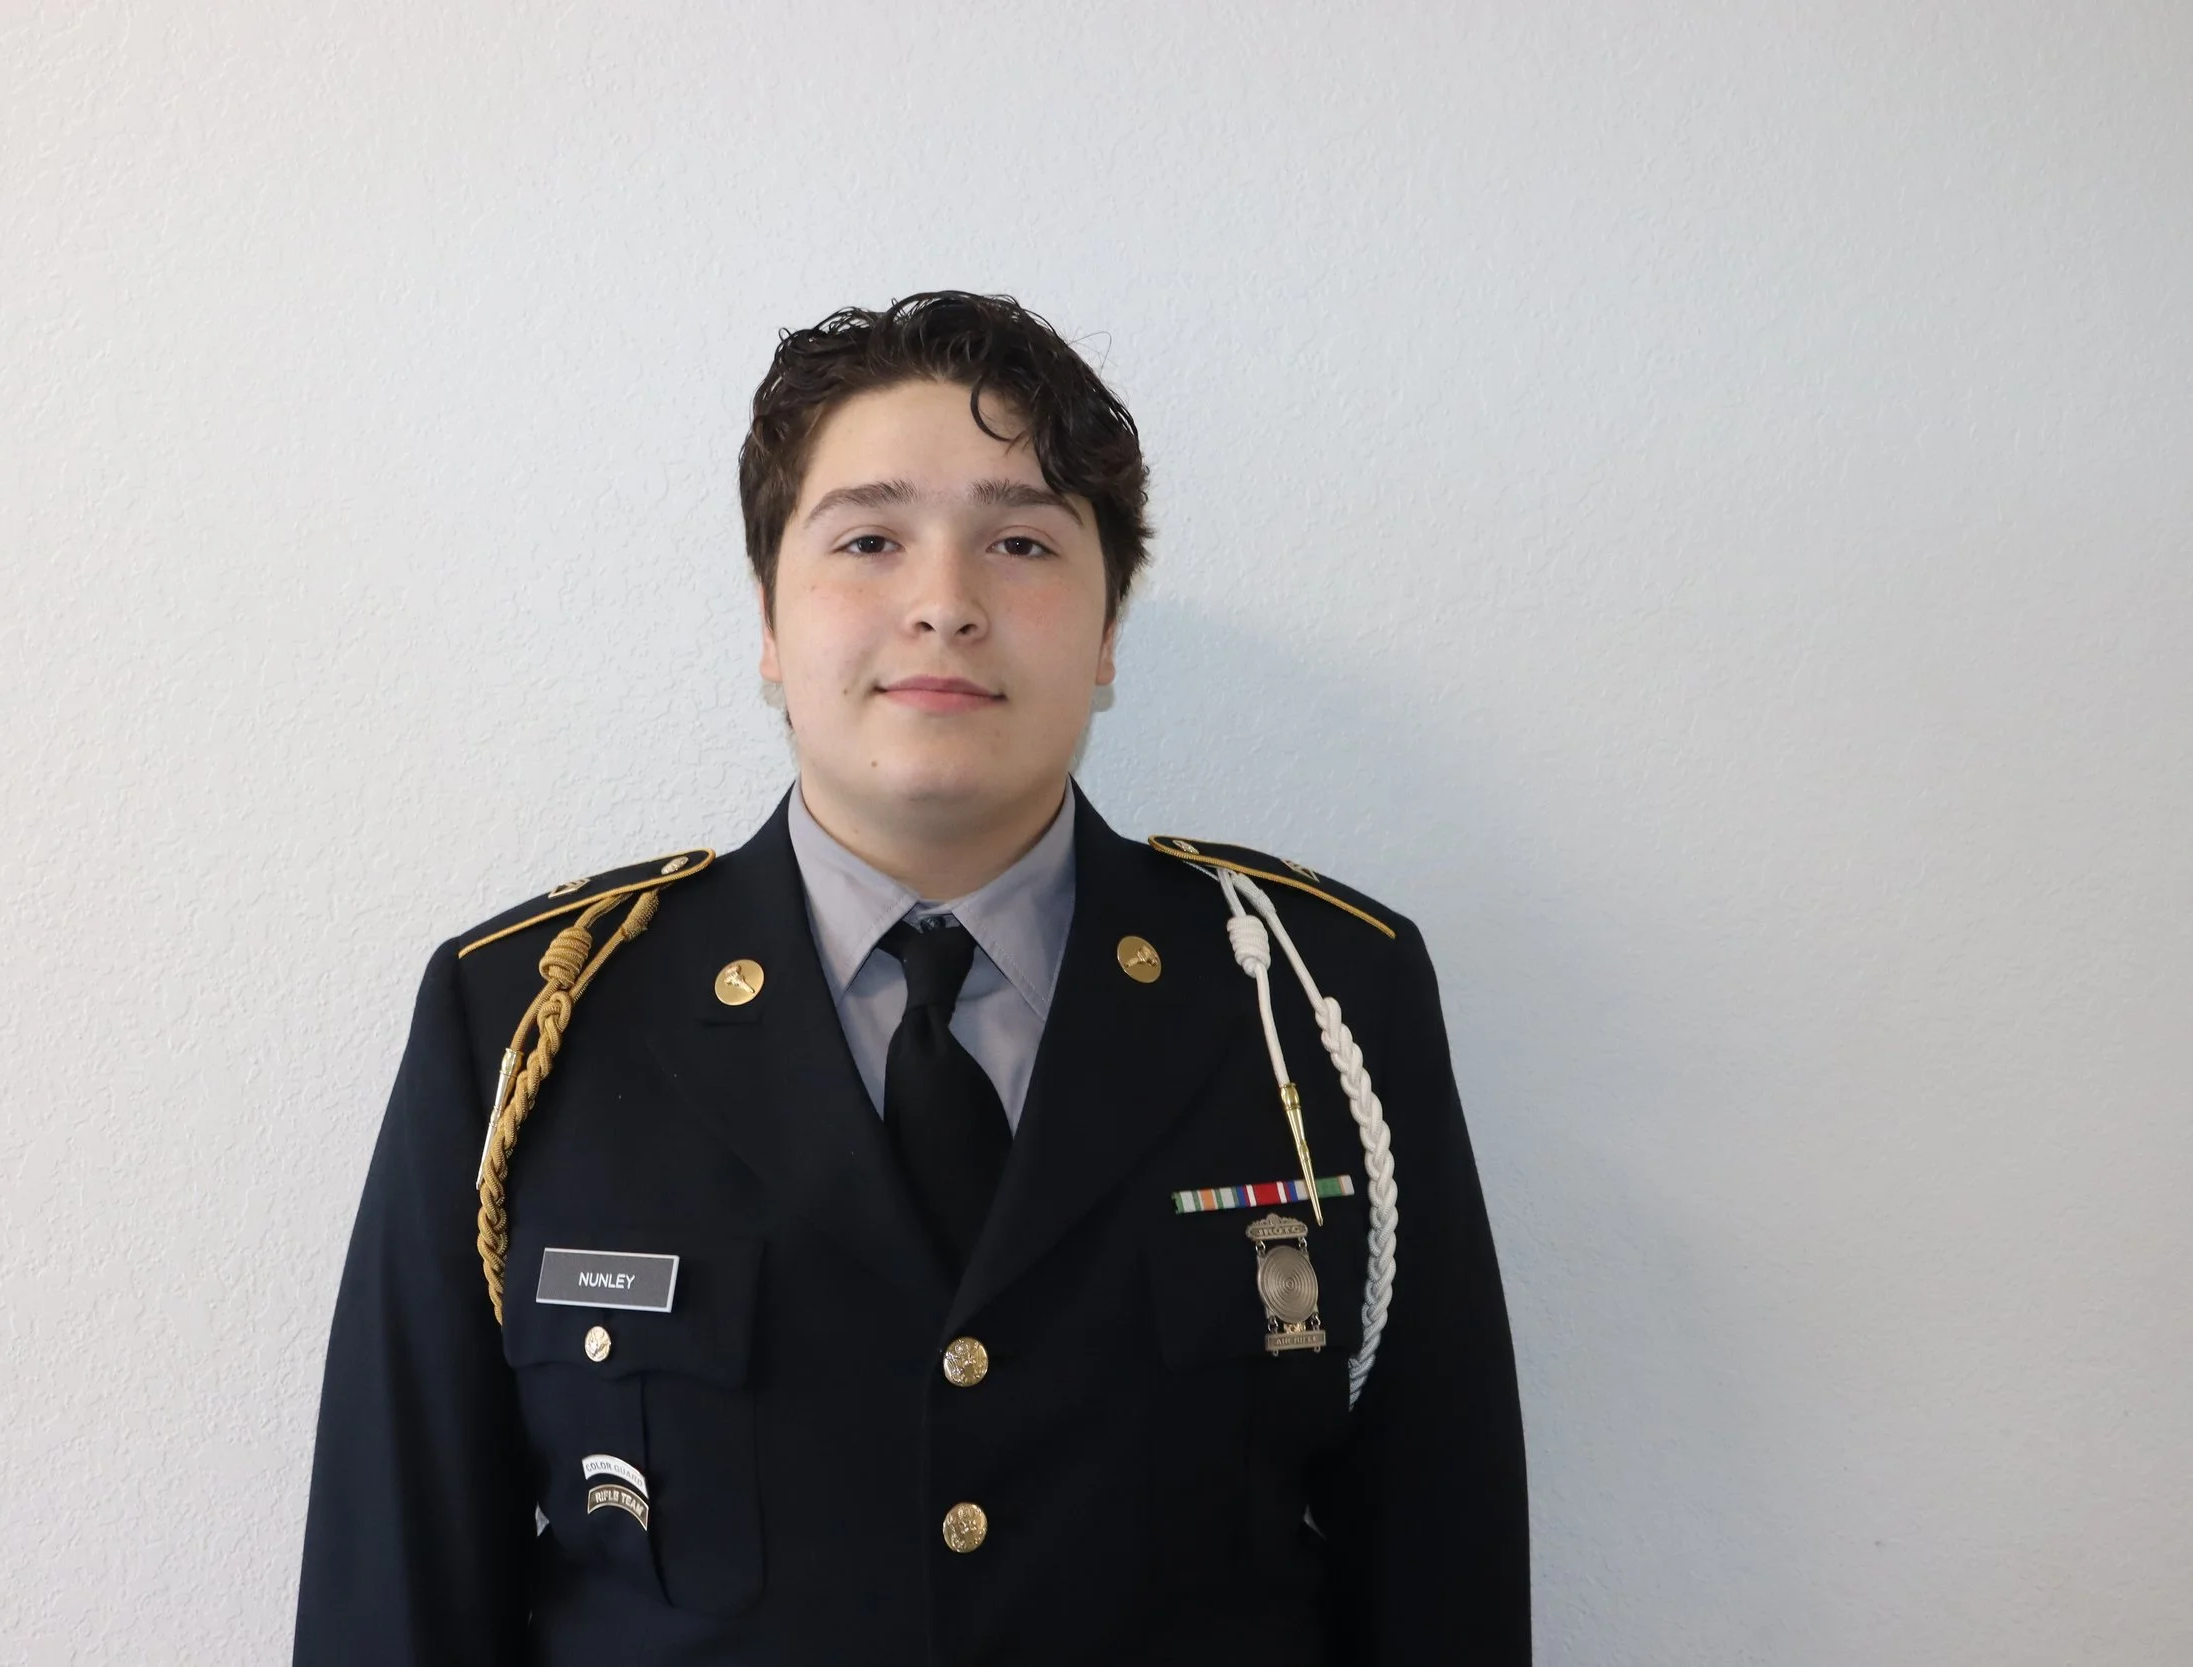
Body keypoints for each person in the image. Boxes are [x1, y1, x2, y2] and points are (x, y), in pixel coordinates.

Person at [292, 290, 1528, 1665]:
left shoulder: (1315, 999)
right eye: (870, 540)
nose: (945, 604)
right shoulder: (530, 1019)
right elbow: (396, 1587)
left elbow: (1442, 1559)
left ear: (1108, 630)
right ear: (770, 621)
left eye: (1021, 541)